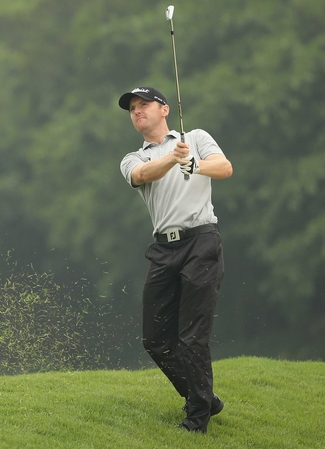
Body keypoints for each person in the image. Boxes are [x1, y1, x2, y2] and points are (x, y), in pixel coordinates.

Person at [118, 86, 233, 433]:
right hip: (164, 251)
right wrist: (172, 159)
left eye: (143, 105)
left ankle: (197, 420)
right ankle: (206, 398)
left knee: (191, 337)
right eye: (132, 109)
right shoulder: (132, 158)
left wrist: (193, 162)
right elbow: (143, 176)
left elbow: (224, 167)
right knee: (154, 340)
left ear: (165, 108)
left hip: (201, 242)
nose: (137, 111)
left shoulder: (195, 137)